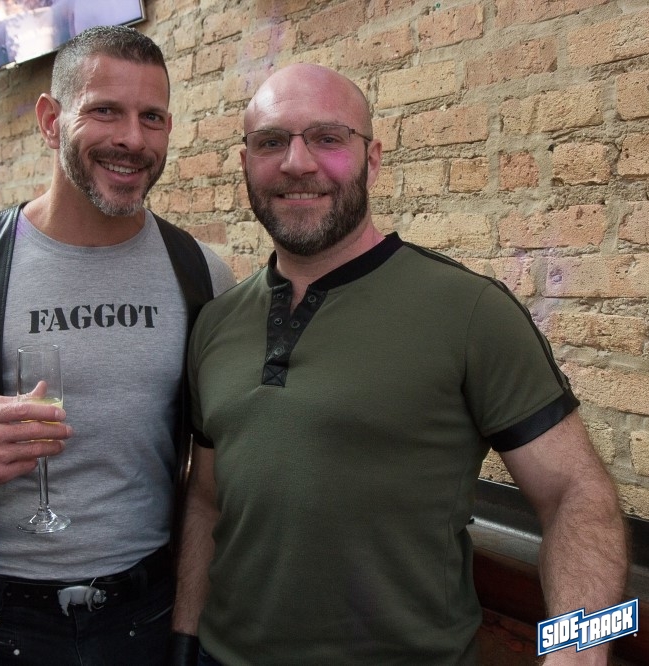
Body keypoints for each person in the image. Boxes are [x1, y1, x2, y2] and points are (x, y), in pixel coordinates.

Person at [170, 63, 628, 665]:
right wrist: (184, 640)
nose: (297, 163)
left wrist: (577, 652)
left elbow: (578, 495)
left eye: (328, 138)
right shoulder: (215, 322)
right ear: (246, 163)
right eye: (271, 141)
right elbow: (206, 500)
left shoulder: (469, 311)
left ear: (374, 159)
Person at [0, 25, 235, 665]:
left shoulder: (200, 274)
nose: (132, 139)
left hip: (144, 617)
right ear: (51, 120)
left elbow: (211, 478)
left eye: (152, 117)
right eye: (104, 111)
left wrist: (188, 631)